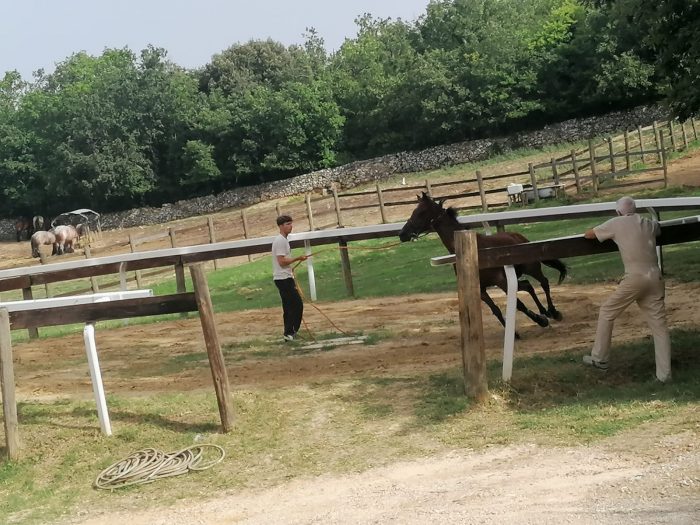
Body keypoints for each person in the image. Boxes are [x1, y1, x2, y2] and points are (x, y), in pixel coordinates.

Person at [582, 196, 671, 382]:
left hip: (634, 278)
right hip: (655, 276)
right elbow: (658, 228)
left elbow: (589, 234)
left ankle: (600, 358)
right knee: (660, 328)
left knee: (607, 311)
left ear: (618, 211)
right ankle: (664, 375)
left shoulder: (616, 222)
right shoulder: (648, 223)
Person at [272, 214, 308, 341]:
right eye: (287, 224)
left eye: (291, 223)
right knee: (296, 305)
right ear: (281, 226)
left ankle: (289, 333)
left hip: (283, 277)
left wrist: (290, 268)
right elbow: (281, 261)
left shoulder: (283, 240)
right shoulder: (281, 241)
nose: (290, 226)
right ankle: (291, 332)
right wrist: (297, 258)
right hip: (283, 279)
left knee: (288, 306)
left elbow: (281, 263)